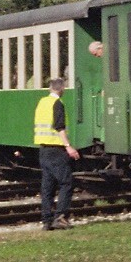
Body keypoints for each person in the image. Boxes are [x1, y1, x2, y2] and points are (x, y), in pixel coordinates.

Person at [34, 76, 79, 230]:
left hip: (43, 150)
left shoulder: (42, 102)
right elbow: (59, 127)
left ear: (50, 88)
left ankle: (46, 220)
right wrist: (68, 146)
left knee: (47, 186)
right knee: (66, 183)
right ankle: (60, 217)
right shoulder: (57, 103)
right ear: (62, 89)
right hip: (56, 150)